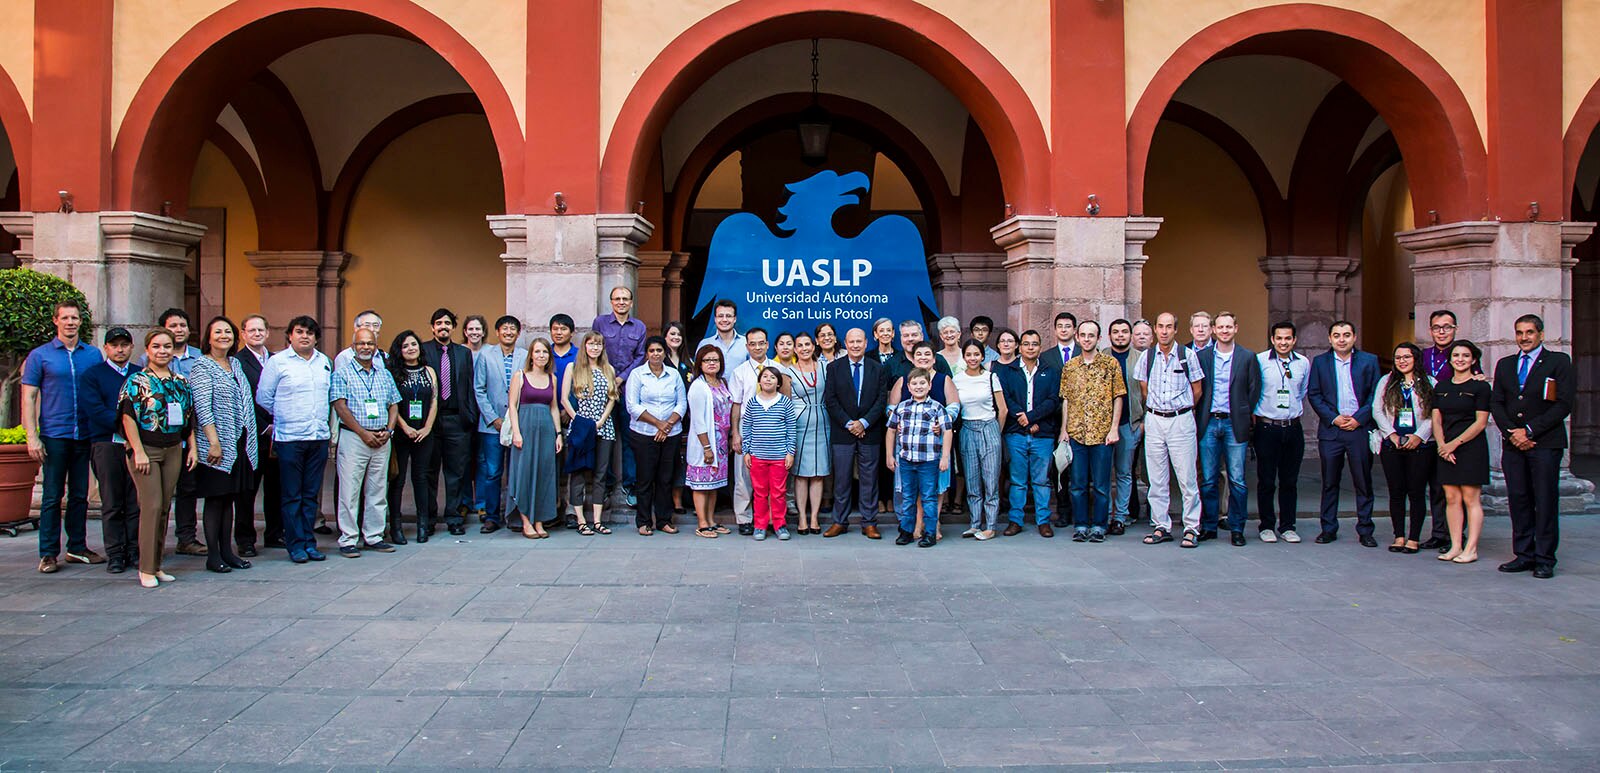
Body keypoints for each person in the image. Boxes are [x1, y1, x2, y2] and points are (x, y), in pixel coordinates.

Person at [21, 299, 105, 573]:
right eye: (65, 317)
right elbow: (29, 396)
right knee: (52, 495)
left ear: (81, 321)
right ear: (56, 321)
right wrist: (32, 436)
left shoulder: (92, 355)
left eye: (75, 318)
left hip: (84, 433)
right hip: (55, 433)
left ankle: (77, 547)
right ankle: (48, 553)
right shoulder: (40, 356)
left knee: (80, 494)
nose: (70, 322)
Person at [1490, 315, 1574, 579]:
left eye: (1529, 332)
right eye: (1519, 332)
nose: (1524, 337)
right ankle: (1523, 554)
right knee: (1519, 498)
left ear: (1541, 334)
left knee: (1545, 500)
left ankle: (1545, 558)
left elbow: (1563, 404)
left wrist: (1529, 430)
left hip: (1544, 443)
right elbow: (1497, 403)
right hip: (1513, 444)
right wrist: (1512, 433)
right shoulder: (1505, 364)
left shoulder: (1558, 362)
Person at [120, 330, 197, 588]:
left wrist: (193, 448)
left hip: (173, 448)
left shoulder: (180, 381)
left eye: (167, 346)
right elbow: (128, 417)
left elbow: (189, 418)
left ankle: (156, 565)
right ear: (147, 350)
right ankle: (145, 568)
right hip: (146, 449)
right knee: (151, 506)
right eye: (156, 346)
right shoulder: (137, 380)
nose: (162, 351)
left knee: (164, 507)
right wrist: (138, 451)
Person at [256, 315, 333, 564]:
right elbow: (264, 397)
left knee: (310, 495)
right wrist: (285, 416)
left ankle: (309, 542)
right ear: (290, 335)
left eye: (309, 333)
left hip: (318, 436)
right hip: (290, 438)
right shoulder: (278, 362)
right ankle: (295, 544)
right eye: (299, 332)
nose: (304, 336)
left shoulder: (324, 362)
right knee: (292, 495)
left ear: (316, 338)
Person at [188, 317, 259, 573]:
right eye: (217, 332)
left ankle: (228, 552)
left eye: (227, 331)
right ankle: (213, 555)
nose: (223, 336)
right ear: (208, 338)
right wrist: (214, 442)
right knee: (216, 499)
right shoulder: (202, 366)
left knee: (229, 499)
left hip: (238, 442)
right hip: (216, 445)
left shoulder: (235, 364)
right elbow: (202, 408)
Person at [1307, 320, 1382, 546]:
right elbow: (1314, 394)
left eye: (1346, 335)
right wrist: (1334, 418)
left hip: (1359, 429)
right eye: (1337, 335)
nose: (1342, 339)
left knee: (1363, 481)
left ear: (1354, 337)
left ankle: (1365, 530)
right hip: (1332, 430)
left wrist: (1359, 418)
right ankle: (1328, 528)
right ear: (1330, 339)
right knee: (1330, 481)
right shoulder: (1320, 362)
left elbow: (1376, 393)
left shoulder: (1369, 361)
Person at [328, 326, 401, 558]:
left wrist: (389, 431)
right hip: (354, 438)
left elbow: (394, 404)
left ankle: (374, 536)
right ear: (353, 347)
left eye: (370, 343)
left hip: (381, 438)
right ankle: (348, 539)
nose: (365, 347)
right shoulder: (342, 373)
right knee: (349, 490)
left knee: (378, 490)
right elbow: (340, 406)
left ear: (376, 347)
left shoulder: (384, 374)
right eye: (361, 343)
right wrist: (362, 433)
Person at [1136, 312, 1205, 548]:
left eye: (1169, 327)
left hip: (1181, 419)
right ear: (1155, 329)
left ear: (1175, 330)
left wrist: (1182, 409)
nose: (1164, 331)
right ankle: (1161, 525)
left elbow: (1197, 389)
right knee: (1157, 478)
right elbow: (1143, 388)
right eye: (1160, 326)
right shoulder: (1147, 357)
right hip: (1155, 419)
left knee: (1187, 477)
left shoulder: (1188, 356)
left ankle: (1191, 527)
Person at [141, 308, 207, 555]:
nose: (179, 330)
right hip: (156, 438)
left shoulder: (200, 358)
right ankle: (153, 545)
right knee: (157, 495)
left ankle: (186, 537)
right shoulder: (146, 362)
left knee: (188, 488)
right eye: (173, 326)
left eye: (182, 325)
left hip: (189, 432)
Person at [1195, 312, 1260, 546]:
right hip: (1209, 422)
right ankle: (1209, 525)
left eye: (1228, 327)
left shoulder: (1247, 357)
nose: (1224, 331)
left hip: (1234, 423)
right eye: (1220, 327)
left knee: (1237, 480)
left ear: (1236, 329)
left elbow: (1254, 389)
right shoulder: (1202, 356)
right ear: (1214, 330)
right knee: (1208, 479)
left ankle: (1237, 528)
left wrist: (1243, 412)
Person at [1057, 321, 1124, 543]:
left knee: (1102, 485)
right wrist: (1064, 429)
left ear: (1098, 338)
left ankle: (1099, 525)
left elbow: (1118, 396)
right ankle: (1081, 525)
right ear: (1077, 337)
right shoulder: (1070, 366)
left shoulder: (1110, 364)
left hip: (1102, 434)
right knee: (1077, 484)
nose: (1087, 339)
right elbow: (1066, 400)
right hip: (1077, 433)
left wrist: (1114, 428)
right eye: (1083, 335)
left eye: (1091, 335)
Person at [82, 327, 141, 574]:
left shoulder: (140, 374)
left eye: (124, 345)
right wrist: (125, 427)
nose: (120, 350)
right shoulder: (93, 375)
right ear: (106, 348)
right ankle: (115, 553)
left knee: (135, 501)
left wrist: (135, 434)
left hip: (137, 446)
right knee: (112, 501)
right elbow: (95, 410)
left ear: (131, 347)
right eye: (114, 345)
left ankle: (134, 550)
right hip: (106, 444)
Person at [822, 328, 889, 539]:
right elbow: (830, 399)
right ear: (845, 343)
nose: (855, 345)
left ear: (866, 342)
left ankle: (869, 523)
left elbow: (881, 400)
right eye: (852, 342)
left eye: (859, 341)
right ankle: (839, 522)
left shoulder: (878, 368)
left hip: (870, 431)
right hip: (843, 432)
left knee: (869, 480)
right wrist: (849, 423)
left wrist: (864, 423)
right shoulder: (834, 368)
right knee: (841, 479)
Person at [1419, 309, 1478, 550]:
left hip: (1455, 429)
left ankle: (1457, 536)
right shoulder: (1423, 356)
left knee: (1457, 485)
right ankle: (1439, 532)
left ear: (1455, 329)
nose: (1441, 332)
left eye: (1447, 327)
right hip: (1427, 425)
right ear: (1430, 330)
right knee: (1436, 485)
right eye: (1437, 327)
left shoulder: (1463, 354)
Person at [889, 342, 959, 538]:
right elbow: (891, 408)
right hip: (910, 444)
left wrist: (942, 423)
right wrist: (898, 423)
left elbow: (954, 405)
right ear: (913, 358)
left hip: (936, 441)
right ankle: (918, 523)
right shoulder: (905, 380)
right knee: (914, 486)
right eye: (919, 354)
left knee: (936, 485)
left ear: (934, 358)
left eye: (927, 354)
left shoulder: (943, 379)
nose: (923, 357)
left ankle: (933, 524)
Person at [995, 330, 1060, 537]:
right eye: (1026, 344)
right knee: (1018, 480)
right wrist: (1024, 421)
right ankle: (1015, 521)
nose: (1030, 347)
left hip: (1043, 434)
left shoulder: (1051, 371)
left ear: (1040, 347)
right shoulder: (1008, 371)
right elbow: (1006, 399)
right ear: (1019, 347)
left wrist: (1031, 418)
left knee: (1042, 480)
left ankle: (1043, 521)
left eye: (1034, 344)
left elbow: (1053, 400)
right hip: (1016, 433)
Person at [1432, 340, 1491, 564]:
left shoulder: (1481, 387)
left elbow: (1480, 422)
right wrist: (1442, 445)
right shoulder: (1441, 386)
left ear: (1473, 359)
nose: (1460, 359)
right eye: (1456, 355)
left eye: (1466, 356)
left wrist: (1453, 445)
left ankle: (1471, 548)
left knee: (1470, 498)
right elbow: (1436, 419)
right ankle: (1455, 545)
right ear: (1450, 359)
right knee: (1451, 497)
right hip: (1446, 448)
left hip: (1470, 447)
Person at [422, 308, 478, 536]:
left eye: (447, 323)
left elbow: (470, 386)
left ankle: (454, 517)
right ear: (432, 327)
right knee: (430, 471)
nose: (443, 327)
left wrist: (470, 417)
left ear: (454, 328)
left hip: (457, 420)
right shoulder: (424, 350)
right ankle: (429, 519)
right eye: (438, 323)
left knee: (456, 473)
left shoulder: (463, 353)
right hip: (431, 421)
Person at [1374, 342, 1434, 554]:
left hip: (1420, 446)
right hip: (1393, 444)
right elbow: (1377, 410)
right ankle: (1398, 536)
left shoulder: (1429, 382)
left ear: (1416, 359)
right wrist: (1390, 434)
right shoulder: (1387, 381)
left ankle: (1414, 538)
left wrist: (1419, 436)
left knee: (1416, 492)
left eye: (1407, 357)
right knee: (1396, 492)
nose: (1402, 361)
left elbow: (1434, 413)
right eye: (1398, 357)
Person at [1253, 321, 1310, 544]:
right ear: (1272, 339)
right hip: (1267, 427)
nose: (1283, 342)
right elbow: (1254, 390)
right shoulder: (1260, 361)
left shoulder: (1303, 363)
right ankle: (1266, 525)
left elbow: (1302, 391)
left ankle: (1288, 526)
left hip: (1293, 427)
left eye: (1288, 338)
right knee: (1266, 480)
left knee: (1289, 480)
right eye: (1279, 338)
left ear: (1294, 340)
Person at [626, 337, 687, 535]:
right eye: (651, 350)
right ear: (646, 353)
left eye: (659, 350)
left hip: (671, 434)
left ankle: (663, 520)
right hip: (644, 434)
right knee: (645, 479)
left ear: (665, 352)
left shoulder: (674, 375)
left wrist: (667, 425)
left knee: (665, 478)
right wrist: (658, 424)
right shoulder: (637, 374)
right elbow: (632, 406)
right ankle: (644, 522)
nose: (655, 354)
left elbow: (682, 403)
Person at [472, 315, 526, 534]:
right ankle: (492, 517)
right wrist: (493, 418)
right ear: (497, 332)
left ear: (518, 333)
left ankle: (515, 515)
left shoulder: (525, 355)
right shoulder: (485, 355)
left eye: (513, 329)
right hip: (491, 425)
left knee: (516, 471)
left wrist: (514, 420)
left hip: (517, 424)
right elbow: (479, 389)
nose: (508, 332)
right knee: (492, 472)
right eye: (504, 328)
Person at [233, 314, 280, 556]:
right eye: (251, 330)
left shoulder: (276, 360)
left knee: (276, 488)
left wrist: (277, 424)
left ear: (267, 333)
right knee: (247, 491)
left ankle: (274, 534)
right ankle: (245, 540)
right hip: (251, 435)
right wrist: (263, 425)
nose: (257, 334)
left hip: (277, 434)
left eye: (261, 330)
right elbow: (242, 399)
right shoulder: (237, 362)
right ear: (243, 334)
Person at [506, 339, 564, 538]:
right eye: (537, 351)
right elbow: (512, 405)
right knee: (524, 473)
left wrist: (558, 434)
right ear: (531, 355)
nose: (541, 355)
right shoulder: (520, 376)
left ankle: (539, 520)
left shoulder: (552, 378)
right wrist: (516, 432)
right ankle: (526, 521)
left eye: (545, 352)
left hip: (546, 431)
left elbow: (554, 407)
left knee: (544, 474)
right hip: (525, 429)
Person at [561, 332, 616, 536]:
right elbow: (564, 398)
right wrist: (578, 419)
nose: (595, 348)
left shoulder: (608, 369)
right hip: (581, 427)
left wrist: (601, 420)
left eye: (598, 344)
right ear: (584, 346)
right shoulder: (573, 367)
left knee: (600, 474)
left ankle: (598, 521)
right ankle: (581, 520)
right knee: (578, 474)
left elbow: (612, 398)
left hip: (604, 427)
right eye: (591, 344)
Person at [595, 286, 646, 508]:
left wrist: (621, 378)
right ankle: (605, 485)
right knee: (604, 437)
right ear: (611, 302)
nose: (621, 302)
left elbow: (640, 356)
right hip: (603, 389)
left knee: (629, 438)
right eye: (617, 299)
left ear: (631, 302)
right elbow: (594, 349)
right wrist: (608, 377)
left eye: (625, 299)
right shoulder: (600, 323)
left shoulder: (639, 327)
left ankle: (630, 484)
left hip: (627, 390)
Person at [386, 331, 438, 544]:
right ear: (399, 350)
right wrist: (405, 427)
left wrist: (427, 427)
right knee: (398, 480)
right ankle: (396, 527)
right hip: (401, 432)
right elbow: (392, 403)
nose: (410, 348)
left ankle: (423, 525)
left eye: (414, 344)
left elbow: (434, 400)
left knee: (421, 478)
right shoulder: (393, 372)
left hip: (424, 433)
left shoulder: (429, 371)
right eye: (405, 346)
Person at [953, 339, 1006, 539]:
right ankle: (975, 524)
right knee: (972, 479)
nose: (973, 358)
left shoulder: (991, 377)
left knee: (990, 480)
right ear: (964, 357)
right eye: (969, 355)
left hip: (989, 427)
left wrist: (996, 433)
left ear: (982, 356)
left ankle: (990, 526)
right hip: (967, 429)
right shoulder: (957, 379)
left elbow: (1003, 409)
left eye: (976, 354)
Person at [741, 366, 799, 540]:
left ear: (778, 383)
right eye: (765, 376)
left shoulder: (785, 402)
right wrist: (746, 451)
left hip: (779, 456)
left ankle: (780, 525)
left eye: (772, 377)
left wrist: (790, 452)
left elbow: (791, 429)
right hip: (757, 456)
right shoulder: (752, 402)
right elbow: (747, 428)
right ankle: (760, 526)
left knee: (778, 493)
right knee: (760, 493)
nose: (768, 379)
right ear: (759, 381)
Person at [728, 327, 776, 535]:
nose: (757, 347)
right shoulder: (740, 372)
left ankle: (770, 518)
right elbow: (736, 405)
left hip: (773, 430)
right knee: (744, 475)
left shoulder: (777, 369)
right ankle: (744, 518)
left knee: (772, 476)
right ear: (747, 346)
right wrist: (735, 433)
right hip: (747, 428)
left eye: (761, 343)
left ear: (767, 344)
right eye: (753, 344)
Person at [685, 344, 733, 538]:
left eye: (715, 360)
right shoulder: (698, 386)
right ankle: (702, 523)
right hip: (705, 441)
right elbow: (698, 420)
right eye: (707, 360)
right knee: (701, 483)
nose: (711, 363)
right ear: (700, 363)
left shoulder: (722, 382)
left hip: (721, 442)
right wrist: (706, 447)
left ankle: (711, 520)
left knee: (714, 484)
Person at [787, 333, 830, 534]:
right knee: (801, 474)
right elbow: (786, 403)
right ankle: (802, 518)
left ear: (814, 346)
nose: (804, 348)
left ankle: (814, 518)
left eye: (807, 344)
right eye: (800, 345)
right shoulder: (788, 372)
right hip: (799, 424)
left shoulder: (825, 367)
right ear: (795, 349)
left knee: (819, 473)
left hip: (823, 423)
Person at [1105, 319, 1144, 534]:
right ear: (1109, 335)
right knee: (1103, 473)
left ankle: (1120, 516)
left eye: (1124, 331)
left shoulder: (1141, 358)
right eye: (1116, 332)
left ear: (1130, 335)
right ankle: (1105, 515)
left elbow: (1148, 392)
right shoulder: (1101, 356)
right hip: (1102, 426)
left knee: (1124, 472)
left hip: (1130, 424)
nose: (1120, 335)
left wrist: (1143, 422)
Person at [550, 314, 579, 529]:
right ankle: (552, 507)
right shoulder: (544, 352)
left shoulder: (579, 355)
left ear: (572, 332)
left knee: (573, 465)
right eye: (555, 329)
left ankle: (571, 509)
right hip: (548, 416)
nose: (559, 333)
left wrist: (569, 410)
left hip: (572, 416)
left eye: (563, 329)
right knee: (550, 465)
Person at [697, 299, 749, 372]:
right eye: (720, 316)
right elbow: (698, 371)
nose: (724, 319)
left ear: (735, 319)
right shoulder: (704, 344)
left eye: (728, 316)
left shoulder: (746, 343)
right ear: (715, 319)